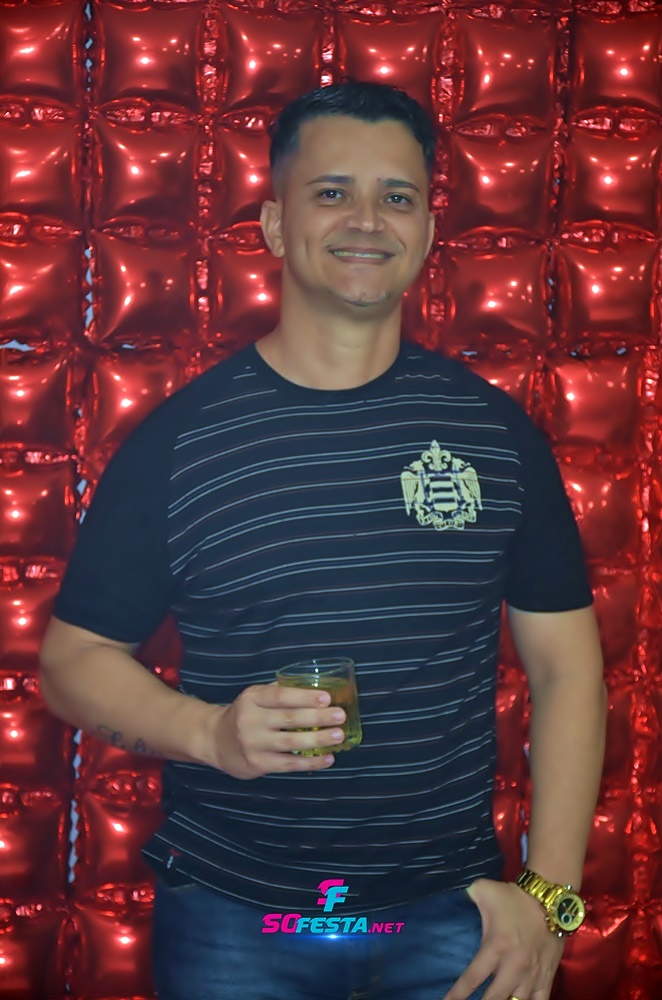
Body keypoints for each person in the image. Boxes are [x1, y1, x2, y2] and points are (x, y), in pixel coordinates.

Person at [40, 80, 606, 1000]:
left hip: (453, 922)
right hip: (233, 923)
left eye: (398, 197)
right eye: (333, 192)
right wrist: (209, 732)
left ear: (428, 230)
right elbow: (71, 664)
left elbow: (568, 670)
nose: (368, 220)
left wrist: (549, 898)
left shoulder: (497, 437)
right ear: (274, 224)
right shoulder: (179, 445)